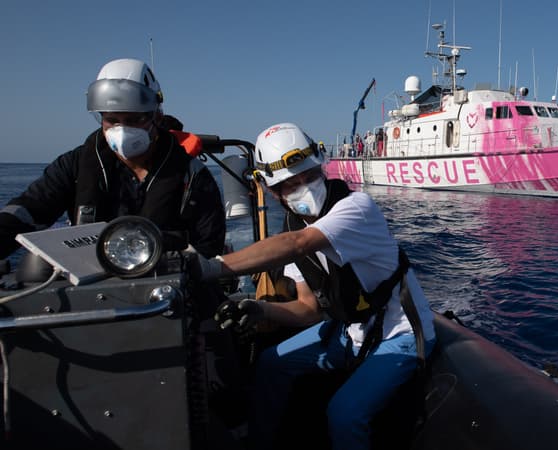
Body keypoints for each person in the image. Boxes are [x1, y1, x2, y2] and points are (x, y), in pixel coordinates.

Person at [189, 123, 436, 450]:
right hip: (350, 332)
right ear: (274, 193)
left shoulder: (356, 208)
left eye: (310, 177)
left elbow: (298, 243)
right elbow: (309, 309)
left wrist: (210, 267)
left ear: (322, 170)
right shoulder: (296, 227)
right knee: (271, 364)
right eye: (291, 185)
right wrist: (259, 307)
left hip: (399, 335)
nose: (304, 188)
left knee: (345, 414)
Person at [0, 58, 226, 260]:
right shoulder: (74, 166)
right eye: (112, 120)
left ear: (156, 116)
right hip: (90, 284)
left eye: (133, 119)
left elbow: (209, 245)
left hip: (166, 280)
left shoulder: (192, 175)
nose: (122, 129)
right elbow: (29, 209)